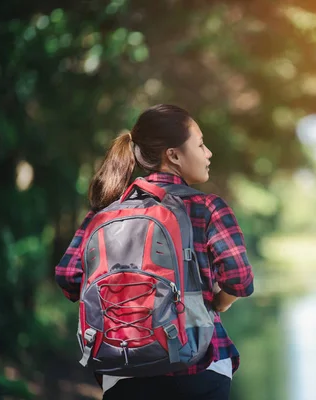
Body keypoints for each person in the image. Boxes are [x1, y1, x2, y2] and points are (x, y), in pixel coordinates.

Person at [54, 104, 254, 400]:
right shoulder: (208, 207)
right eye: (200, 144)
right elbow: (239, 279)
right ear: (173, 155)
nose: (208, 152)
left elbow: (68, 277)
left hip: (122, 368)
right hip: (200, 365)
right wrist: (218, 304)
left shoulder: (105, 213)